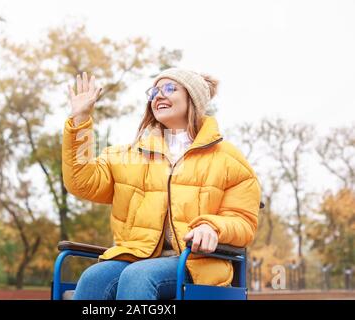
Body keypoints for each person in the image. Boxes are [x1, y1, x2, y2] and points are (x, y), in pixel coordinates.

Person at [62, 68, 261, 300]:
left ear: (193, 99)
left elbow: (243, 221)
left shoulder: (228, 159)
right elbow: (82, 182)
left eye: (169, 88)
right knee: (93, 278)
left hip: (196, 262)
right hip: (137, 255)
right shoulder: (129, 155)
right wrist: (80, 119)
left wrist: (212, 227)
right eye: (154, 91)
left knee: (139, 276)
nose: (158, 96)